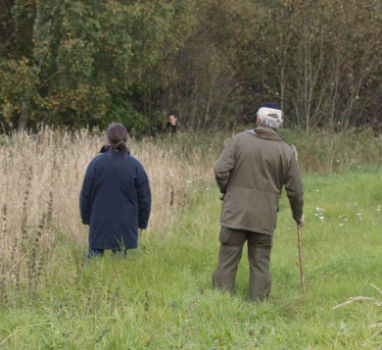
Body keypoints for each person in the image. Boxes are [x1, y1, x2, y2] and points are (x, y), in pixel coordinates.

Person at [212, 102, 304, 301]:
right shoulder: (286, 151)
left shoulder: (239, 141)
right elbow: (295, 190)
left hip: (235, 213)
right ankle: (257, 307)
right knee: (260, 265)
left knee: (227, 261)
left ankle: (220, 304)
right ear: (280, 124)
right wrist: (298, 216)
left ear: (257, 120)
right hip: (264, 218)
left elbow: (220, 169)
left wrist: (228, 191)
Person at [80, 123, 151, 258]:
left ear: (108, 140)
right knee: (119, 270)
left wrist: (86, 219)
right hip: (125, 223)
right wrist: (142, 223)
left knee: (93, 263)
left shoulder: (96, 164)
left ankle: (90, 278)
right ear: (126, 140)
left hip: (99, 222)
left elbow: (85, 195)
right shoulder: (135, 166)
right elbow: (145, 198)